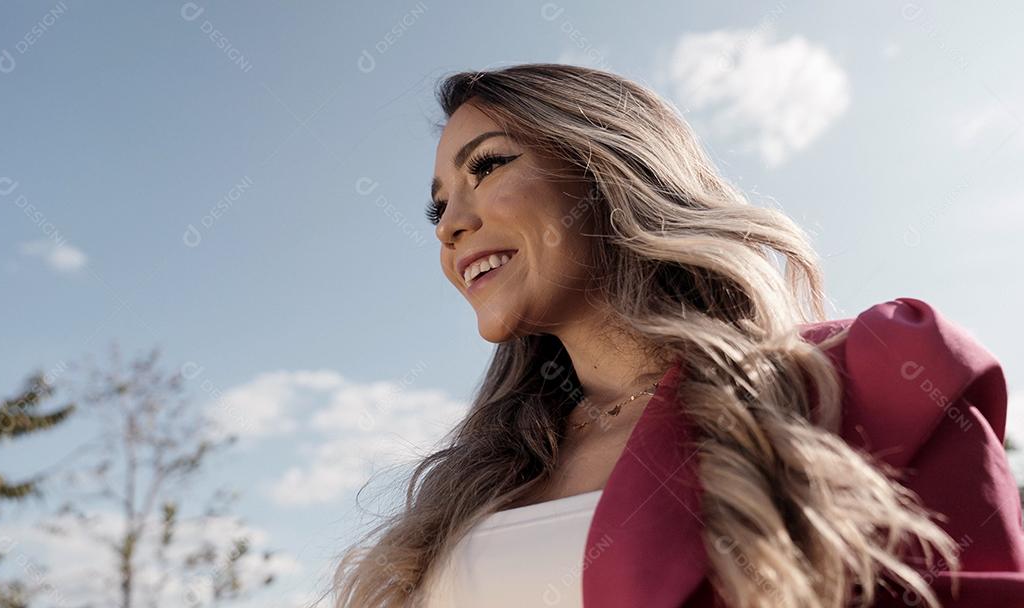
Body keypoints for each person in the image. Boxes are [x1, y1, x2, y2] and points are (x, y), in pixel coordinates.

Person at [316, 63, 1024, 607]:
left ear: (609, 168)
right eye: (436, 207)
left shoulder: (871, 382)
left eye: (488, 165)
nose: (449, 223)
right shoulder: (475, 478)